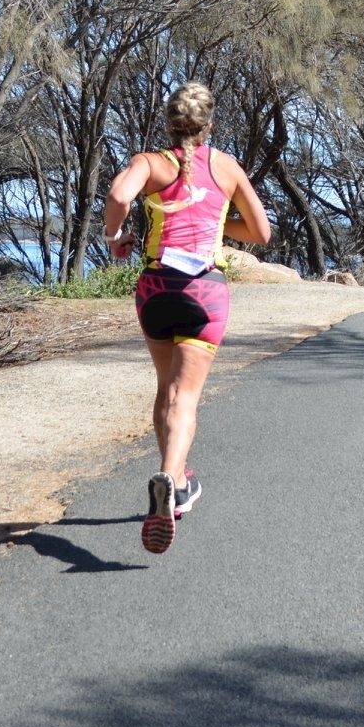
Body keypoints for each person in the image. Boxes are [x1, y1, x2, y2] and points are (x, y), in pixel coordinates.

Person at [102, 82, 271, 555]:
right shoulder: (226, 166)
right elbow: (261, 232)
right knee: (186, 398)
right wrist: (220, 225)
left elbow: (119, 195)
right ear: (209, 125)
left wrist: (115, 235)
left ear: (169, 122)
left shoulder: (149, 163)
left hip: (156, 290)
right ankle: (173, 482)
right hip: (204, 292)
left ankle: (176, 477)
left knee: (167, 391)